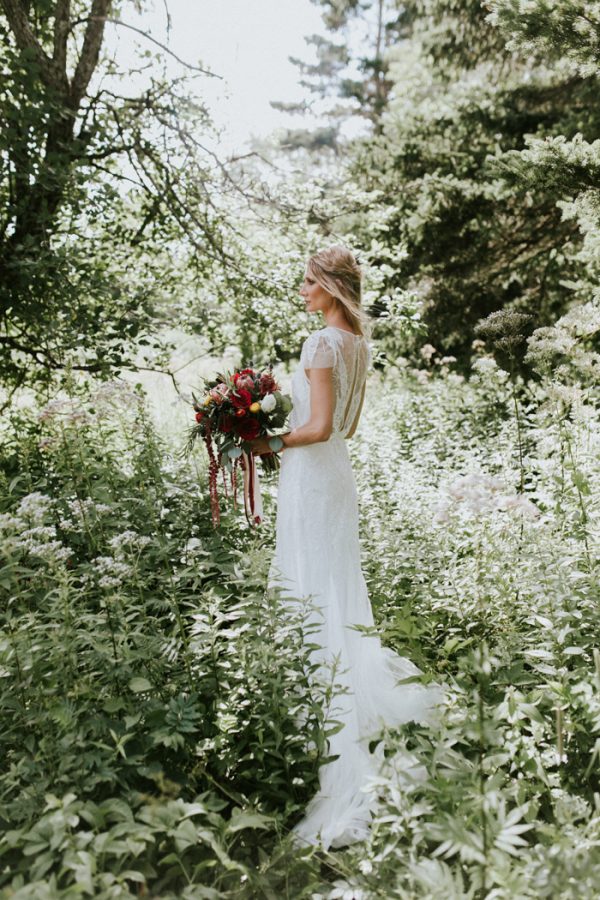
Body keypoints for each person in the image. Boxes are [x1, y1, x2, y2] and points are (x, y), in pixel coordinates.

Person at [247, 245, 445, 850]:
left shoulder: (320, 343)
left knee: (315, 589)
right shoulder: (357, 346)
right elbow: (347, 429)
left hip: (312, 478)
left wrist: (263, 443)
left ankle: (329, 728)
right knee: (335, 584)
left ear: (333, 286)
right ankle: (342, 698)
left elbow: (319, 428)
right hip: (336, 478)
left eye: (309, 282)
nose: (303, 290)